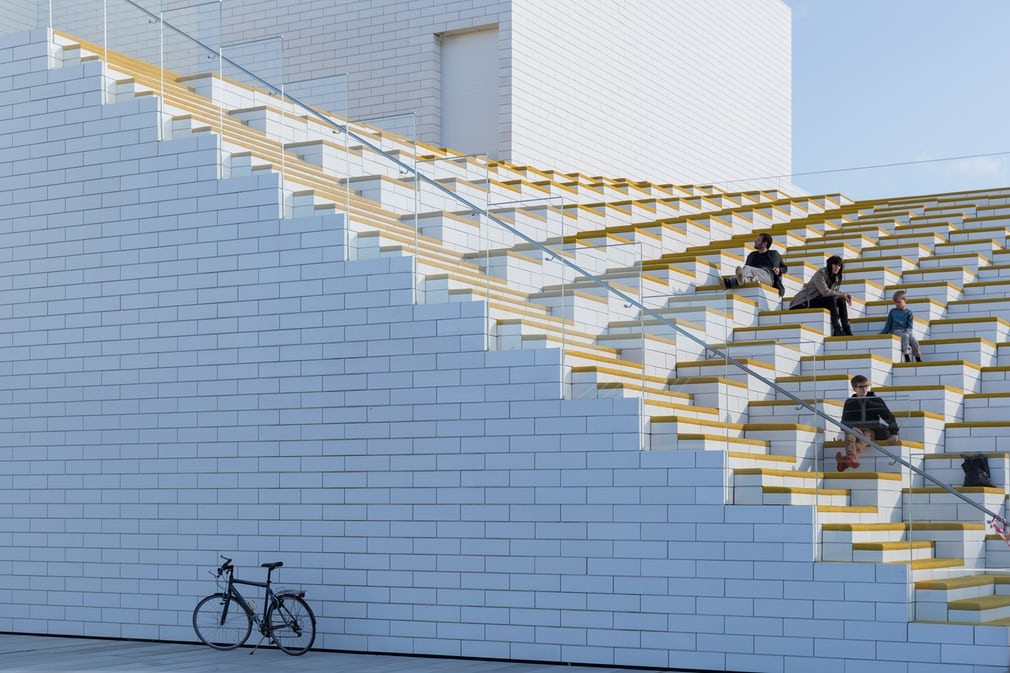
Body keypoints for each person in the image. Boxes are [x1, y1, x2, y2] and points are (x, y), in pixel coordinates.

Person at [836, 374, 899, 471]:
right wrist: (852, 428)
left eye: (866, 386)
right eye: (861, 386)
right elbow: (844, 422)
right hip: (856, 429)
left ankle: (848, 459)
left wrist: (894, 433)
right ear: (854, 388)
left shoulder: (875, 400)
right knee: (849, 432)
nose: (864, 389)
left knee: (866, 435)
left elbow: (889, 417)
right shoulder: (850, 402)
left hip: (871, 430)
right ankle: (850, 459)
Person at [788, 255, 853, 336]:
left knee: (841, 299)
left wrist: (844, 295)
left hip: (819, 300)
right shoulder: (821, 273)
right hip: (805, 301)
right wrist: (841, 294)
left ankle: (847, 329)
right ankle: (837, 329)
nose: (837, 267)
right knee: (833, 298)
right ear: (830, 265)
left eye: (839, 265)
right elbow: (825, 292)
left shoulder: (836, 278)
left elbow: (834, 293)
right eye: (835, 264)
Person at [722, 233, 787, 296]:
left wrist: (779, 270)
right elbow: (744, 274)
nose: (755, 241)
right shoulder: (752, 255)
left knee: (747, 268)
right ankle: (742, 280)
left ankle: (729, 282)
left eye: (758, 240)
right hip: (756, 276)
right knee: (749, 278)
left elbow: (785, 268)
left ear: (765, 244)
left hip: (768, 277)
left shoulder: (774, 254)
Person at [881, 289, 922, 362]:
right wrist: (881, 334)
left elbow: (910, 327)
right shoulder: (892, 311)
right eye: (895, 303)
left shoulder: (908, 312)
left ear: (905, 301)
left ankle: (918, 357)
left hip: (906, 331)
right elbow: (888, 325)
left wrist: (908, 332)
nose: (897, 304)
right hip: (896, 331)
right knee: (905, 336)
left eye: (899, 302)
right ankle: (906, 355)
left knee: (914, 340)